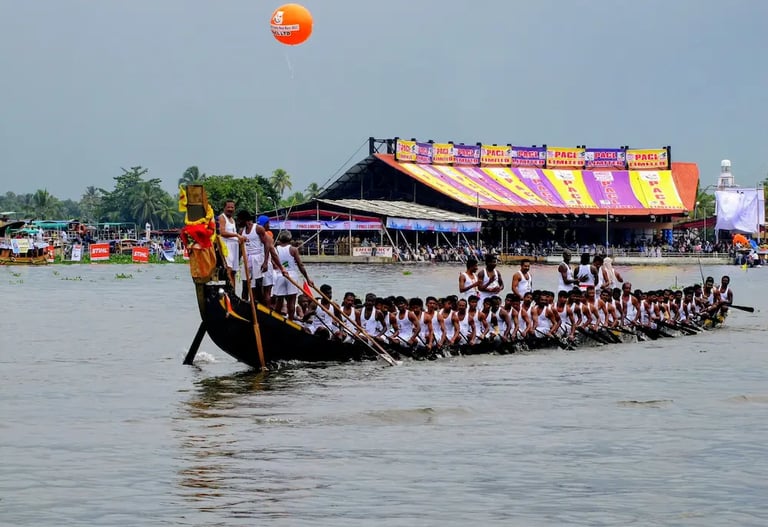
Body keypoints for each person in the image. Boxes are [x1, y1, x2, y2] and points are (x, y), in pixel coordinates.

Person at [238, 211, 282, 304]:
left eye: (239, 220)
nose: (238, 222)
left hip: (258, 259)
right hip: (247, 259)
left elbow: (267, 245)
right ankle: (245, 303)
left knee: (259, 285)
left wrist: (265, 262)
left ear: (245, 220)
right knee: (246, 284)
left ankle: (260, 306)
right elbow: (240, 248)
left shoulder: (258, 229)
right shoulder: (241, 231)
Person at [272, 231, 313, 320]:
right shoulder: (293, 249)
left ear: (280, 240)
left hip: (280, 275)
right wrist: (307, 278)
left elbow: (273, 264)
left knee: (279, 300)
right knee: (292, 301)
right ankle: (290, 319)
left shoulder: (275, 249)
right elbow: (300, 265)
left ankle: (276, 319)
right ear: (290, 240)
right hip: (291, 275)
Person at [217, 200, 243, 287]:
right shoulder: (222, 217)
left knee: (234, 272)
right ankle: (229, 291)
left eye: (232, 207)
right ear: (224, 208)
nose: (230, 209)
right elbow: (222, 232)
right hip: (226, 247)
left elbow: (234, 234)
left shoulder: (232, 219)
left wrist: (239, 239)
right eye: (228, 207)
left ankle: (233, 291)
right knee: (229, 269)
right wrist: (236, 235)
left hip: (234, 247)